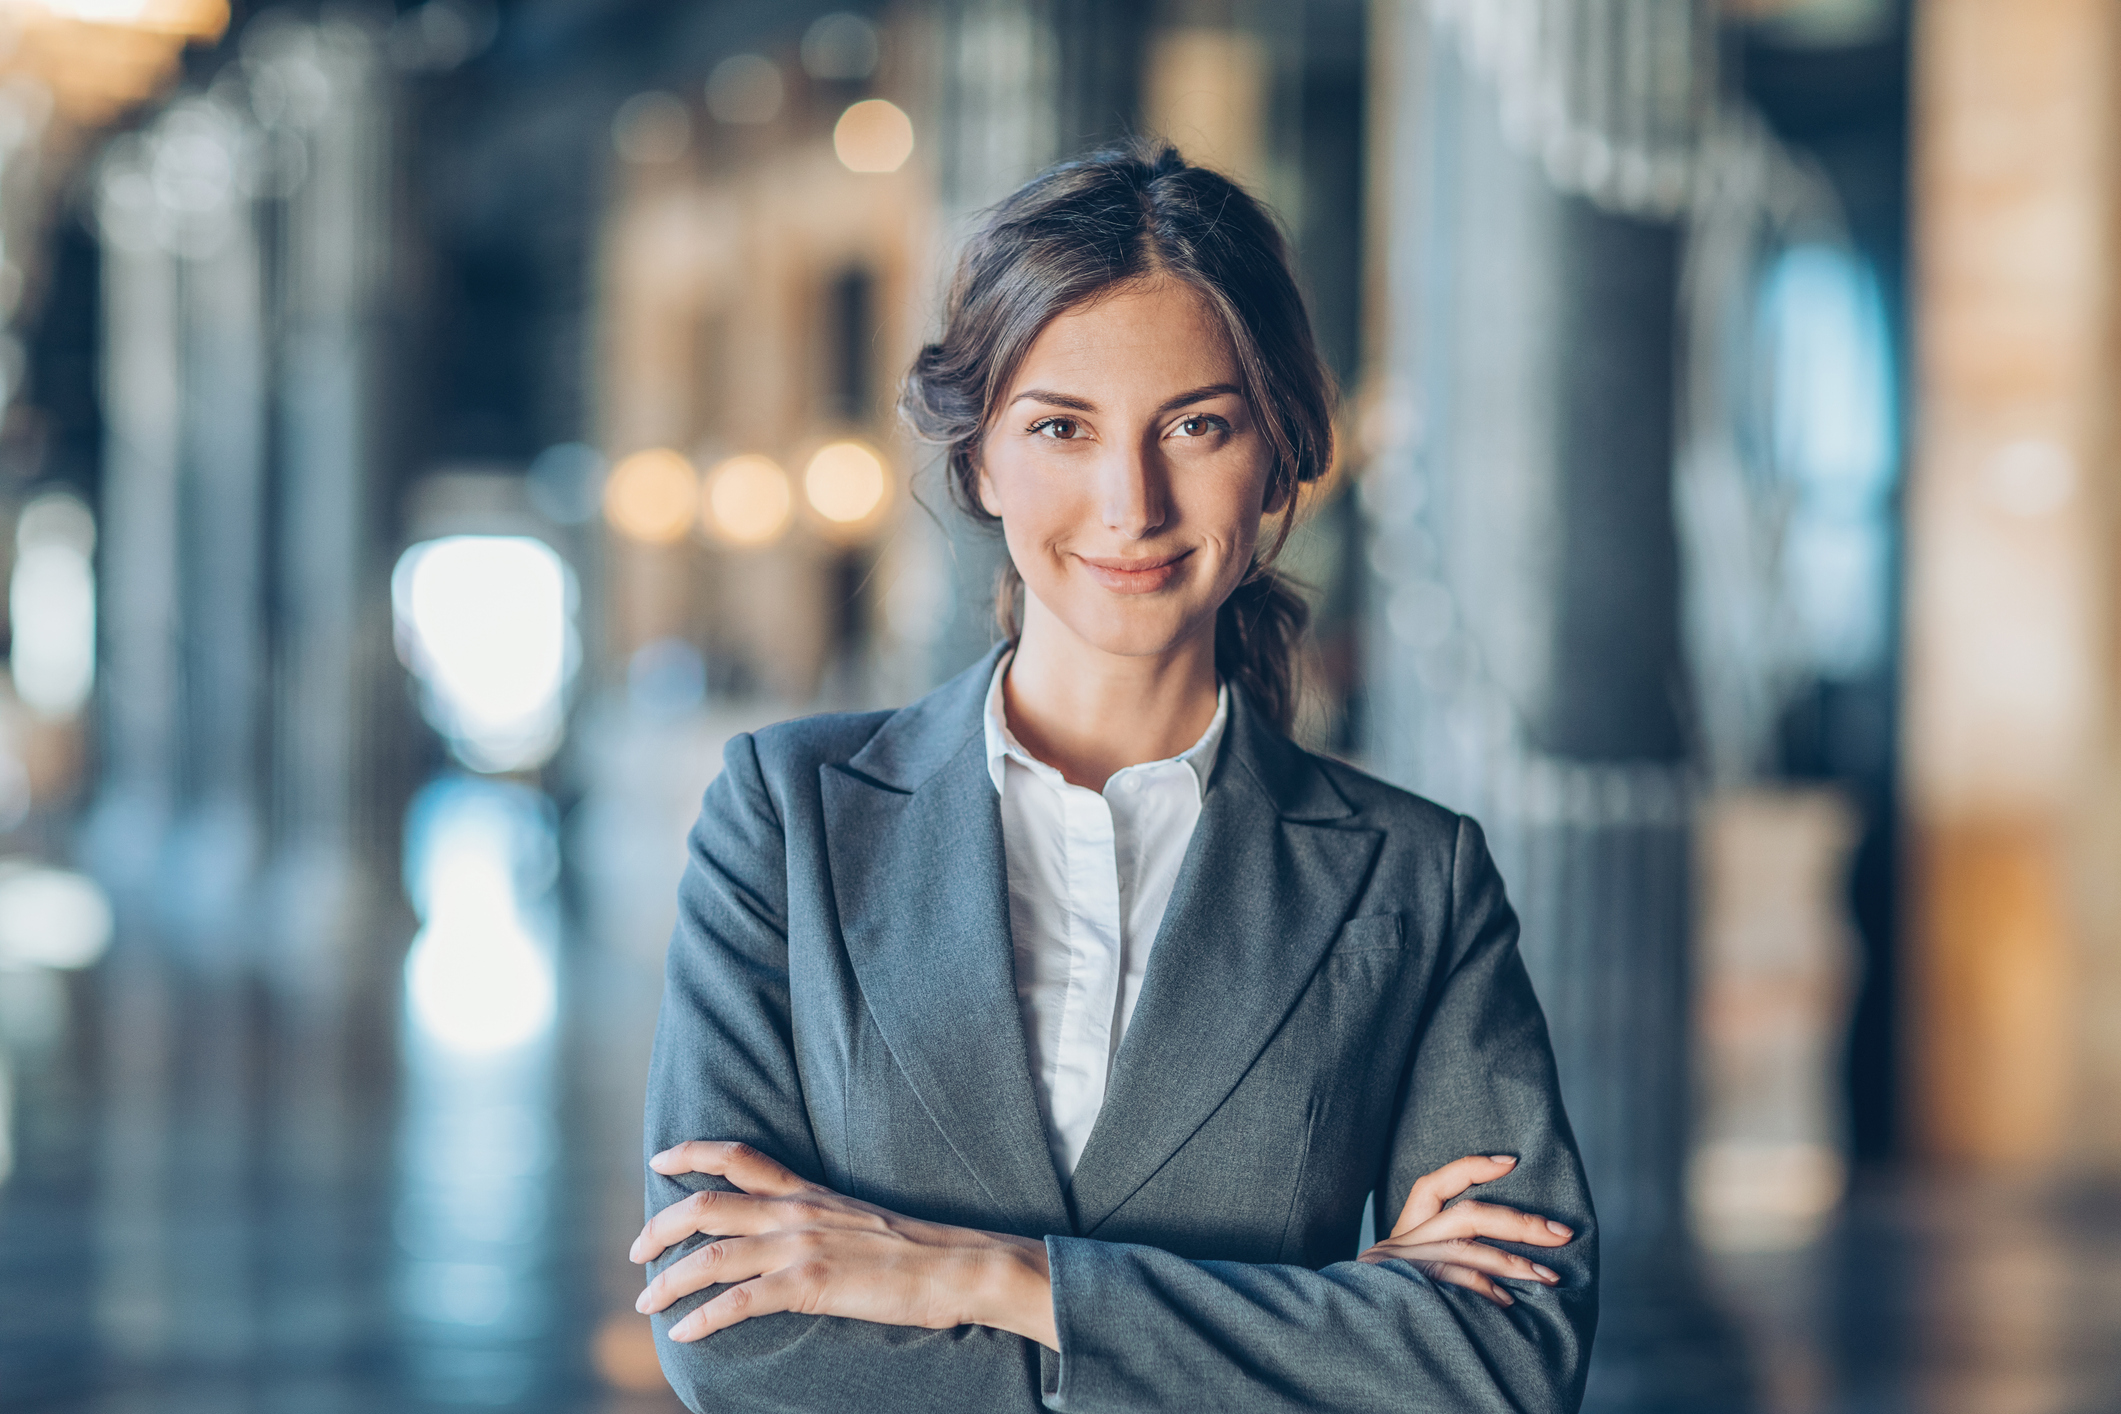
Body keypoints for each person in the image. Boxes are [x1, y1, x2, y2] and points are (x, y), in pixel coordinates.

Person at [628, 142, 1596, 1413]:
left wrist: (984, 1276)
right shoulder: (789, 814)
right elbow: (724, 1325)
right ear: (980, 460)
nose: (1130, 501)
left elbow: (1499, 1361)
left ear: (1283, 455)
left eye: (1196, 426)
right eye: (1061, 428)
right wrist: (1318, 1331)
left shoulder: (1414, 876)